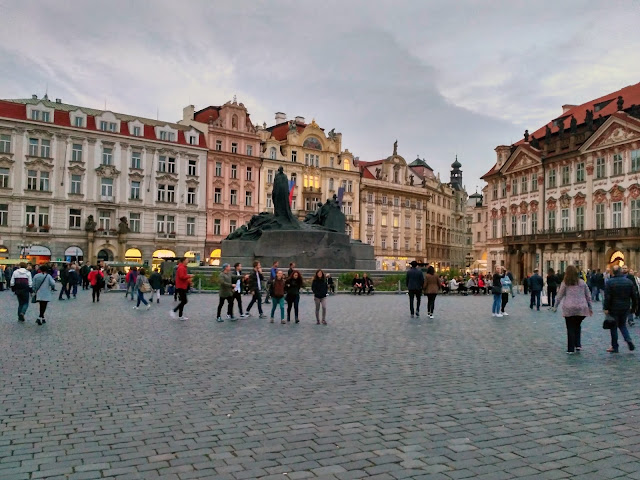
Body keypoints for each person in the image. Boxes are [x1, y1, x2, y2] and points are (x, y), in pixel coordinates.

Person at [553, 265, 592, 354]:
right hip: (581, 308)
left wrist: (555, 306)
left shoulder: (565, 283)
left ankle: (570, 348)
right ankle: (577, 345)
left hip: (569, 308)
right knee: (577, 326)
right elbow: (588, 295)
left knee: (570, 327)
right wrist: (590, 307)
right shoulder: (582, 282)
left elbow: (559, 296)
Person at [603, 265, 638, 353]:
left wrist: (606, 308)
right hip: (625, 307)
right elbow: (634, 296)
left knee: (613, 327)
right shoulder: (629, 282)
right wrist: (634, 308)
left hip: (613, 308)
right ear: (621, 272)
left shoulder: (610, 282)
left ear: (613, 273)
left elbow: (607, 297)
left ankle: (615, 347)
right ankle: (628, 339)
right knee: (622, 325)